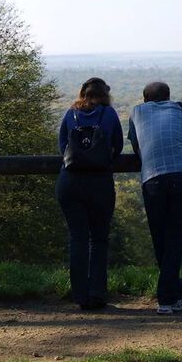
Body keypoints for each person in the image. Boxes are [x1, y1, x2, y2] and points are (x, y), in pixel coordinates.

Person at [128, 81, 182, 315]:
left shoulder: (137, 112)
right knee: (177, 235)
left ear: (145, 99)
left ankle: (172, 291)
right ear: (168, 97)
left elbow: (137, 146)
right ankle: (169, 294)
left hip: (152, 178)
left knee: (160, 236)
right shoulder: (180, 108)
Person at [57, 77, 123, 310]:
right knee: (99, 239)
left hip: (70, 183)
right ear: (105, 94)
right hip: (99, 183)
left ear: (82, 93)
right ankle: (97, 293)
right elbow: (118, 147)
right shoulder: (109, 115)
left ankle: (79, 295)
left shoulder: (69, 114)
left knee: (78, 239)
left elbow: (62, 147)